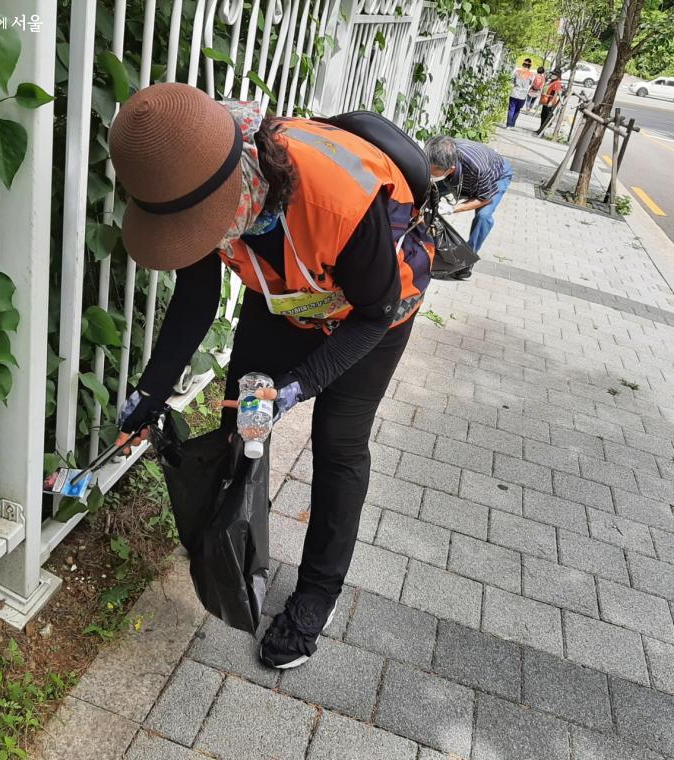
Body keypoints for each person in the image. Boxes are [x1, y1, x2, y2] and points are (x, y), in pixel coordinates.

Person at [108, 83, 434, 669]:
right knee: (242, 420)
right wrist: (150, 393)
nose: (194, 236)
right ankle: (238, 551)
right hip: (284, 295)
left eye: (202, 225)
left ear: (237, 195)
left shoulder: (339, 201)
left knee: (338, 443)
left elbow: (374, 313)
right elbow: (196, 295)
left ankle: (317, 593)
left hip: (373, 311)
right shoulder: (193, 178)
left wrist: (299, 386)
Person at [425, 135, 513, 277]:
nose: (430, 174)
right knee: (428, 197)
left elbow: (485, 199)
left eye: (433, 172)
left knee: (483, 216)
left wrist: (453, 208)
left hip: (497, 175)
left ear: (450, 169)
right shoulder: (439, 151)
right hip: (462, 174)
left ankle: (467, 259)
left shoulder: (478, 168)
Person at [507, 57, 535, 128]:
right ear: (530, 66)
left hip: (515, 92)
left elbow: (512, 81)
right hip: (523, 94)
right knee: (517, 109)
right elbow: (530, 84)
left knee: (511, 109)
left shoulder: (517, 72)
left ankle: (508, 125)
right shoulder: (531, 75)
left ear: (523, 64)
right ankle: (512, 124)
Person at [537, 70, 563, 135]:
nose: (552, 75)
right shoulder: (552, 81)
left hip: (549, 102)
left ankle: (542, 131)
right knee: (543, 115)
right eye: (552, 74)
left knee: (546, 116)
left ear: (558, 76)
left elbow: (555, 93)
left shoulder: (557, 83)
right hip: (545, 101)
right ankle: (540, 129)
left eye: (554, 74)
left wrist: (551, 102)